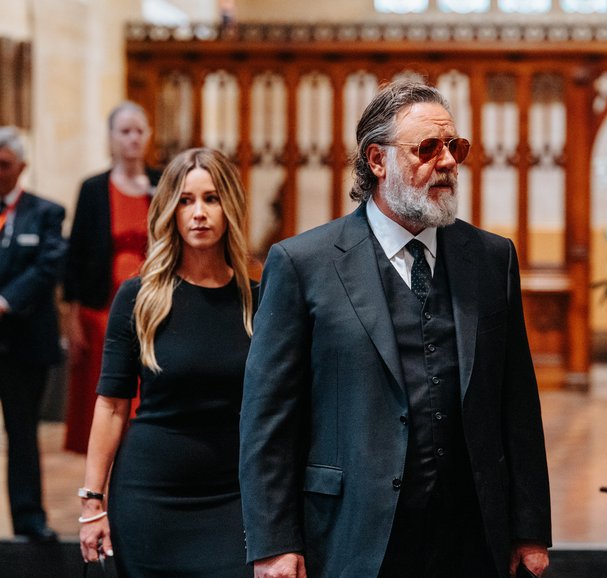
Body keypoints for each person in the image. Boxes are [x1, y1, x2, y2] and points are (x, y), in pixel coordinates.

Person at [240, 80, 552, 578]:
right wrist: (274, 542)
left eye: (455, 147)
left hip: (470, 534)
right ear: (378, 161)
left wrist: (530, 527)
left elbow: (517, 404)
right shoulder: (304, 264)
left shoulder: (492, 260)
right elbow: (268, 419)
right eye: (427, 149)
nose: (447, 161)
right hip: (353, 533)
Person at [78, 148, 256, 577]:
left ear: (229, 205)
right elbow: (111, 404)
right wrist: (92, 503)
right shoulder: (138, 298)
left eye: (211, 199)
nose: (199, 213)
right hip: (150, 496)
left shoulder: (258, 299)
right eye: (185, 200)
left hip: (234, 497)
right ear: (169, 211)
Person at [63, 101, 161, 453]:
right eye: (125, 131)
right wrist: (72, 319)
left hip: (152, 305)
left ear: (149, 135)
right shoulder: (93, 188)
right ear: (111, 138)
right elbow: (75, 257)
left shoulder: (160, 183)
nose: (133, 139)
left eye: (139, 131)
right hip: (101, 309)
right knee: (103, 396)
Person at [0, 127, 65, 541]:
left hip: (23, 344)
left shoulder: (45, 212)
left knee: (22, 434)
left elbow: (46, 269)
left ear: (22, 168)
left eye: (4, 165)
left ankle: (28, 518)